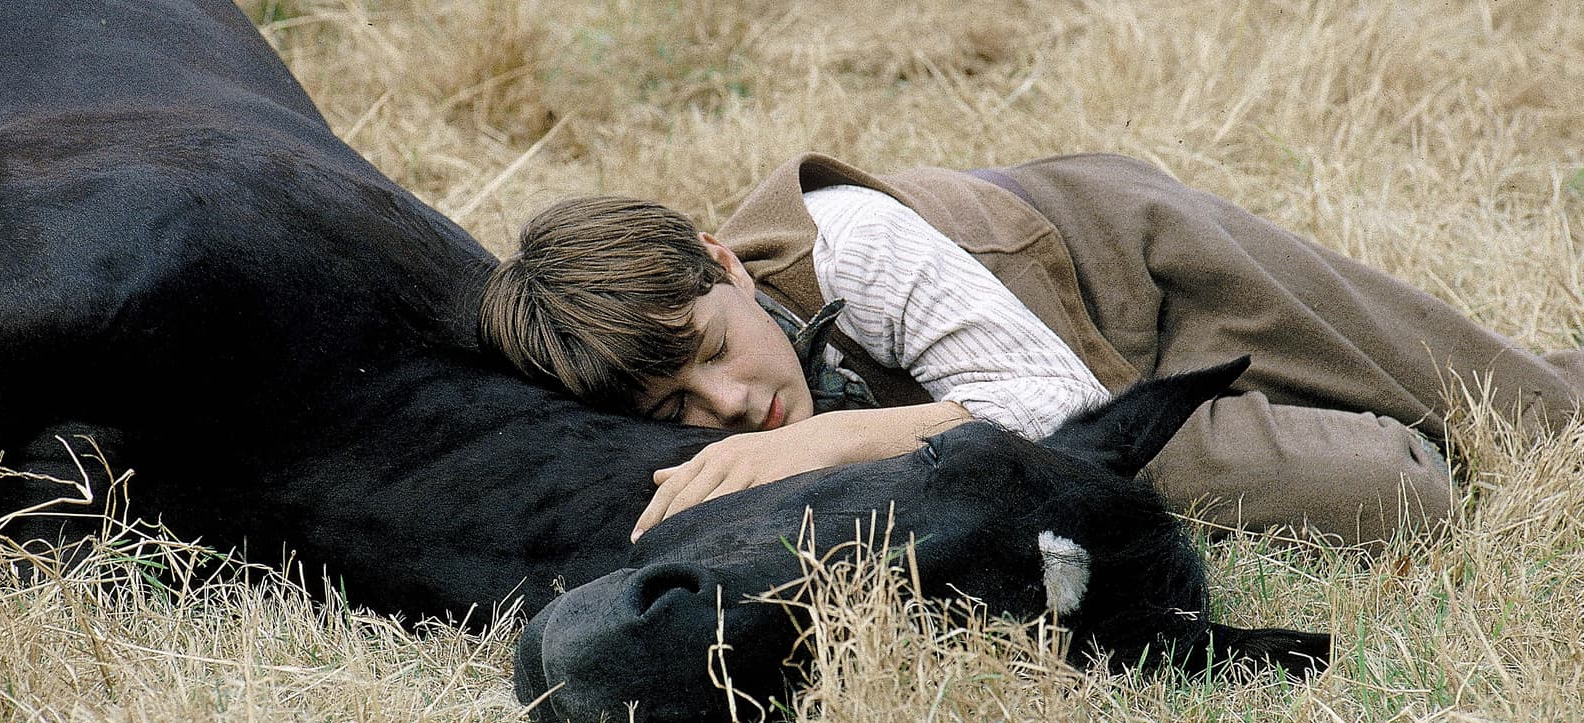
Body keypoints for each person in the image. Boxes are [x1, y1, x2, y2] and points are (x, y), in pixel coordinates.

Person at [478, 153, 1584, 547]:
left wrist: (820, 445)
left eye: (714, 347)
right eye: (673, 406)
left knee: (1521, 412)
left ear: (723, 263)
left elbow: (1050, 405)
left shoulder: (848, 246)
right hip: (1112, 410)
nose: (725, 402)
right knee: (1399, 496)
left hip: (1145, 278)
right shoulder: (715, 402)